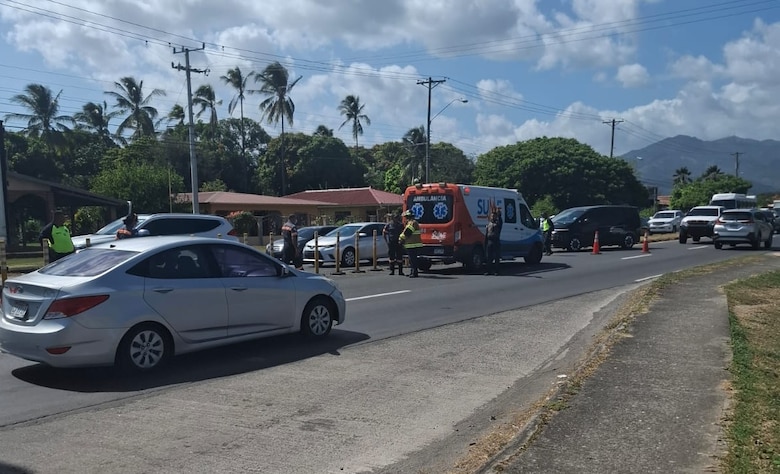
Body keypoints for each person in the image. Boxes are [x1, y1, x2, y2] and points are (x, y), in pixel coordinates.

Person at [398, 210, 423, 278]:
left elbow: (407, 232)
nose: (405, 218)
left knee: (413, 260)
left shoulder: (412, 223)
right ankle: (413, 272)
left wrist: (401, 238)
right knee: (412, 259)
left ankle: (414, 273)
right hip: (411, 244)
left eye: (406, 217)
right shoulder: (411, 222)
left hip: (412, 244)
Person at [484, 209, 503, 275]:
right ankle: (488, 271)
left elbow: (500, 221)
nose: (492, 217)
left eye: (494, 216)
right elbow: (486, 234)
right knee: (489, 257)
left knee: (496, 257)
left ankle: (497, 271)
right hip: (489, 241)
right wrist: (485, 243)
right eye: (492, 216)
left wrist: (499, 215)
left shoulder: (498, 224)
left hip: (496, 241)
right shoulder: (489, 224)